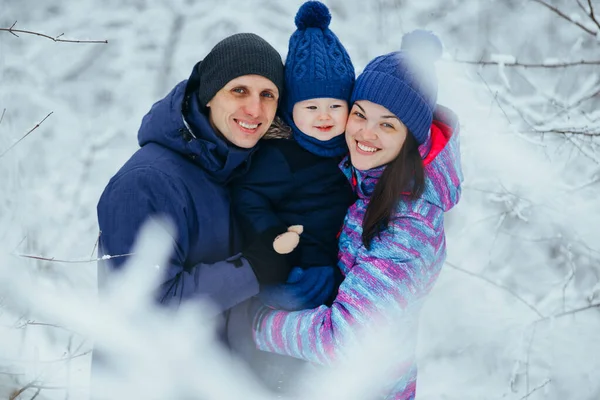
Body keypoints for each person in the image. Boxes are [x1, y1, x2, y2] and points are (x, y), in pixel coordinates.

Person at [249, 30, 463, 399]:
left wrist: (257, 324)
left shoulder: (409, 226)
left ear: (410, 138)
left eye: (387, 124)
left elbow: (347, 340)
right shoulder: (366, 180)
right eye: (360, 115)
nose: (366, 132)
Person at [96, 33, 289, 314]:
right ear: (209, 95)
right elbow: (142, 312)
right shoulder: (147, 182)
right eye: (239, 90)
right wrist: (252, 270)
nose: (255, 109)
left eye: (267, 95)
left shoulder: (243, 169)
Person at [227, 0, 356, 391]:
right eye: (311, 106)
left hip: (330, 271)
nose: (324, 116)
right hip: (292, 268)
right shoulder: (281, 156)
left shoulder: (350, 147)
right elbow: (248, 196)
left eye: (335, 105)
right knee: (284, 367)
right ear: (290, 109)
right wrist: (276, 240)